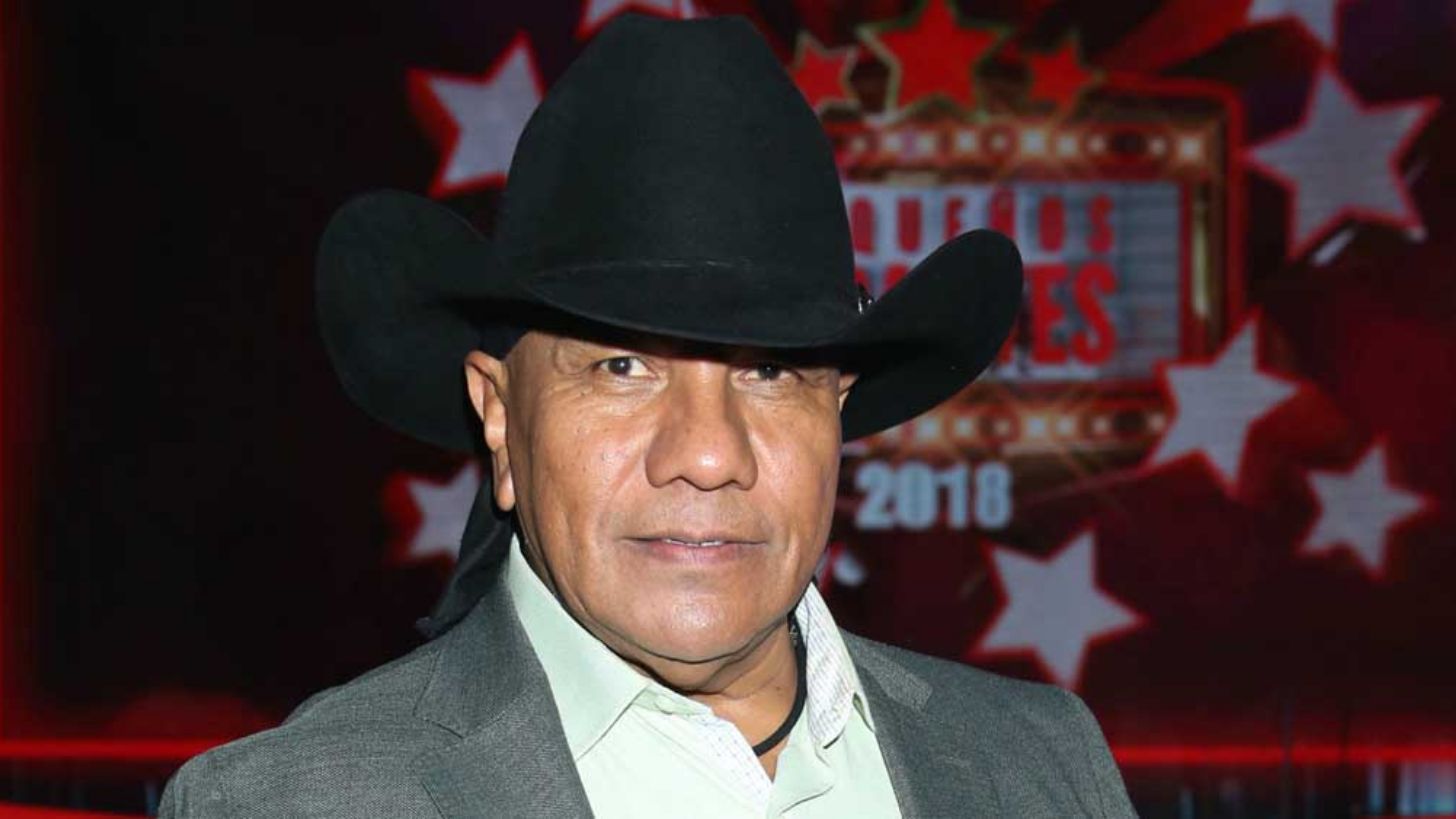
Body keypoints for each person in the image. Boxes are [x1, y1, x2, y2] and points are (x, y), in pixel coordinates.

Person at [159, 13, 1136, 818]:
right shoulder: (283, 804)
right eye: (622, 366)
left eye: (770, 372)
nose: (708, 454)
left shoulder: (1042, 764)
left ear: (838, 412)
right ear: (499, 415)